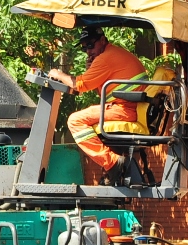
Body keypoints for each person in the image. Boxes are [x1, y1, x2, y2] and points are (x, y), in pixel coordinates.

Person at [49, 25, 147, 181]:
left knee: (75, 121)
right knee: (82, 118)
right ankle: (111, 167)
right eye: (84, 48)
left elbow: (78, 85)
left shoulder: (105, 59)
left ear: (102, 40)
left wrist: (57, 74)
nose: (88, 51)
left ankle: (112, 162)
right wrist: (91, 71)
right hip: (126, 106)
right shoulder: (113, 54)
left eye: (90, 45)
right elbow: (102, 92)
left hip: (124, 109)